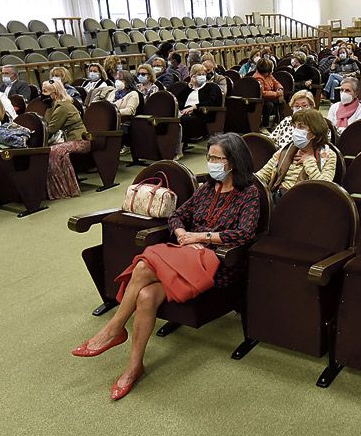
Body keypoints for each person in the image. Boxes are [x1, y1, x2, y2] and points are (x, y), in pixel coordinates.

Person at [70, 133, 261, 399]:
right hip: (185, 254)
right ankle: (134, 367)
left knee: (143, 266)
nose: (212, 162)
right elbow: (178, 214)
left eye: (218, 158)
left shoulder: (248, 193)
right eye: (210, 157)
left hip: (217, 262)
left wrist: (200, 237)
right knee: (146, 295)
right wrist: (182, 232)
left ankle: (114, 328)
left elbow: (244, 234)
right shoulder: (207, 187)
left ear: (234, 161)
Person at [256, 108, 337, 202]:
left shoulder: (328, 155)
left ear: (314, 133)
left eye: (301, 127)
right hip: (277, 197)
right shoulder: (285, 151)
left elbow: (325, 187)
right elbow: (263, 174)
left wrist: (309, 162)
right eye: (295, 126)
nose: (295, 131)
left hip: (305, 203)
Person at [39, 80, 89, 200]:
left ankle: (62, 190)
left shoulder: (63, 106)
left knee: (53, 151)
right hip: (68, 140)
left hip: (79, 141)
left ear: (55, 94)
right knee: (50, 149)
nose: (42, 94)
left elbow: (51, 129)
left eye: (45, 91)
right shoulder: (53, 106)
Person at [177, 63, 224, 145]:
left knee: (184, 120)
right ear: (192, 76)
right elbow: (178, 100)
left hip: (202, 114)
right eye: (199, 74)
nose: (202, 76)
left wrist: (194, 107)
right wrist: (190, 86)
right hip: (184, 112)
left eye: (203, 74)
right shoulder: (188, 88)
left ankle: (180, 147)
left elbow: (211, 102)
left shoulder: (211, 87)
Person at [253, 57, 286, 127]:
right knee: (269, 105)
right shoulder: (258, 77)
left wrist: (280, 89)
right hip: (261, 100)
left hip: (270, 97)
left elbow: (276, 83)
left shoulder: (268, 75)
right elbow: (262, 93)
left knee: (282, 101)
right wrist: (276, 94)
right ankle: (265, 125)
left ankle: (278, 121)